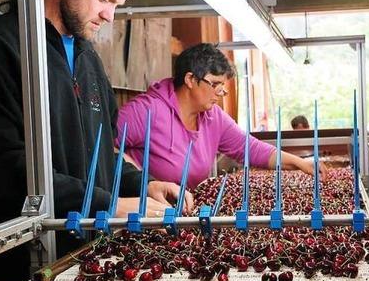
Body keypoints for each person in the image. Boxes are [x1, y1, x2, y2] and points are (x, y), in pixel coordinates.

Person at [0, 0, 189, 281]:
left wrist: (145, 185)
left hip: (92, 261)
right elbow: (0, 169)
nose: (110, 16)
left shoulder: (89, 59)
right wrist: (112, 205)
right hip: (29, 273)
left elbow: (102, 155)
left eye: (116, 4)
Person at [117, 43, 327, 191]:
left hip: (180, 213)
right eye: (215, 84)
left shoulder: (212, 117)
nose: (221, 93)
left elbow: (251, 149)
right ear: (190, 79)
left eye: (223, 87)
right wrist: (140, 180)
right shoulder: (146, 111)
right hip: (141, 217)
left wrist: (300, 163)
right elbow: (101, 146)